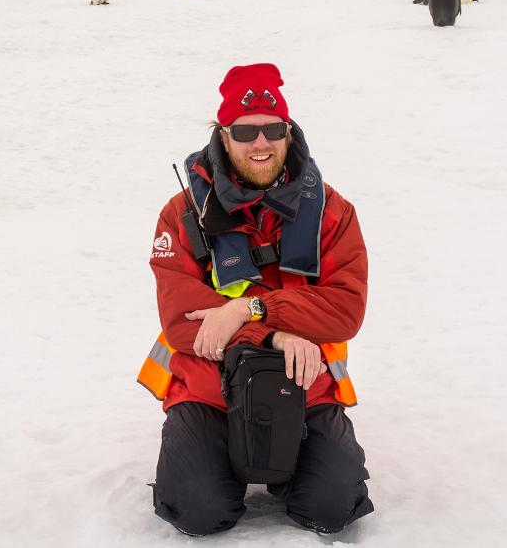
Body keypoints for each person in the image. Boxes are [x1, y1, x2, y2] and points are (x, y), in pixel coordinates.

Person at [138, 62, 374, 536]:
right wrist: (277, 336)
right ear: (222, 136)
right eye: (245, 131)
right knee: (198, 512)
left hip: (307, 388)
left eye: (272, 129)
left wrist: (249, 309)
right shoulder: (182, 215)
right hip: (209, 392)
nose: (261, 143)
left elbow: (345, 310)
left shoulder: (333, 213)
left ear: (289, 133)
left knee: (332, 508)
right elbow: (184, 322)